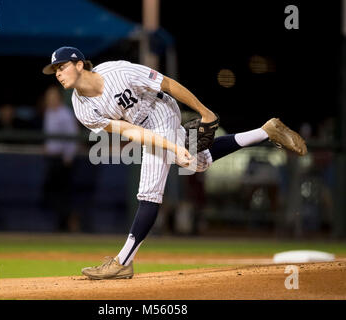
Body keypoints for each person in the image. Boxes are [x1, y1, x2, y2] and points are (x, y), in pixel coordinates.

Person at [42, 46, 307, 280]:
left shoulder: (118, 72)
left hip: (162, 111)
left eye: (61, 66)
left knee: (149, 192)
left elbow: (167, 84)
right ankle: (266, 131)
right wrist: (175, 149)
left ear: (79, 64)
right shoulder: (81, 107)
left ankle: (123, 262)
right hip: (143, 126)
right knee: (199, 162)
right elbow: (129, 131)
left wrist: (205, 112)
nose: (57, 73)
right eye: (54, 70)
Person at [42, 85, 79, 232]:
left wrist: (68, 157)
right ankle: (59, 224)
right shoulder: (48, 113)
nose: (50, 100)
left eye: (52, 96)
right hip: (51, 159)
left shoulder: (65, 114)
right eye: (48, 97)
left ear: (58, 98)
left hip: (63, 160)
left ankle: (65, 225)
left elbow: (72, 137)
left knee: (63, 194)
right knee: (51, 194)